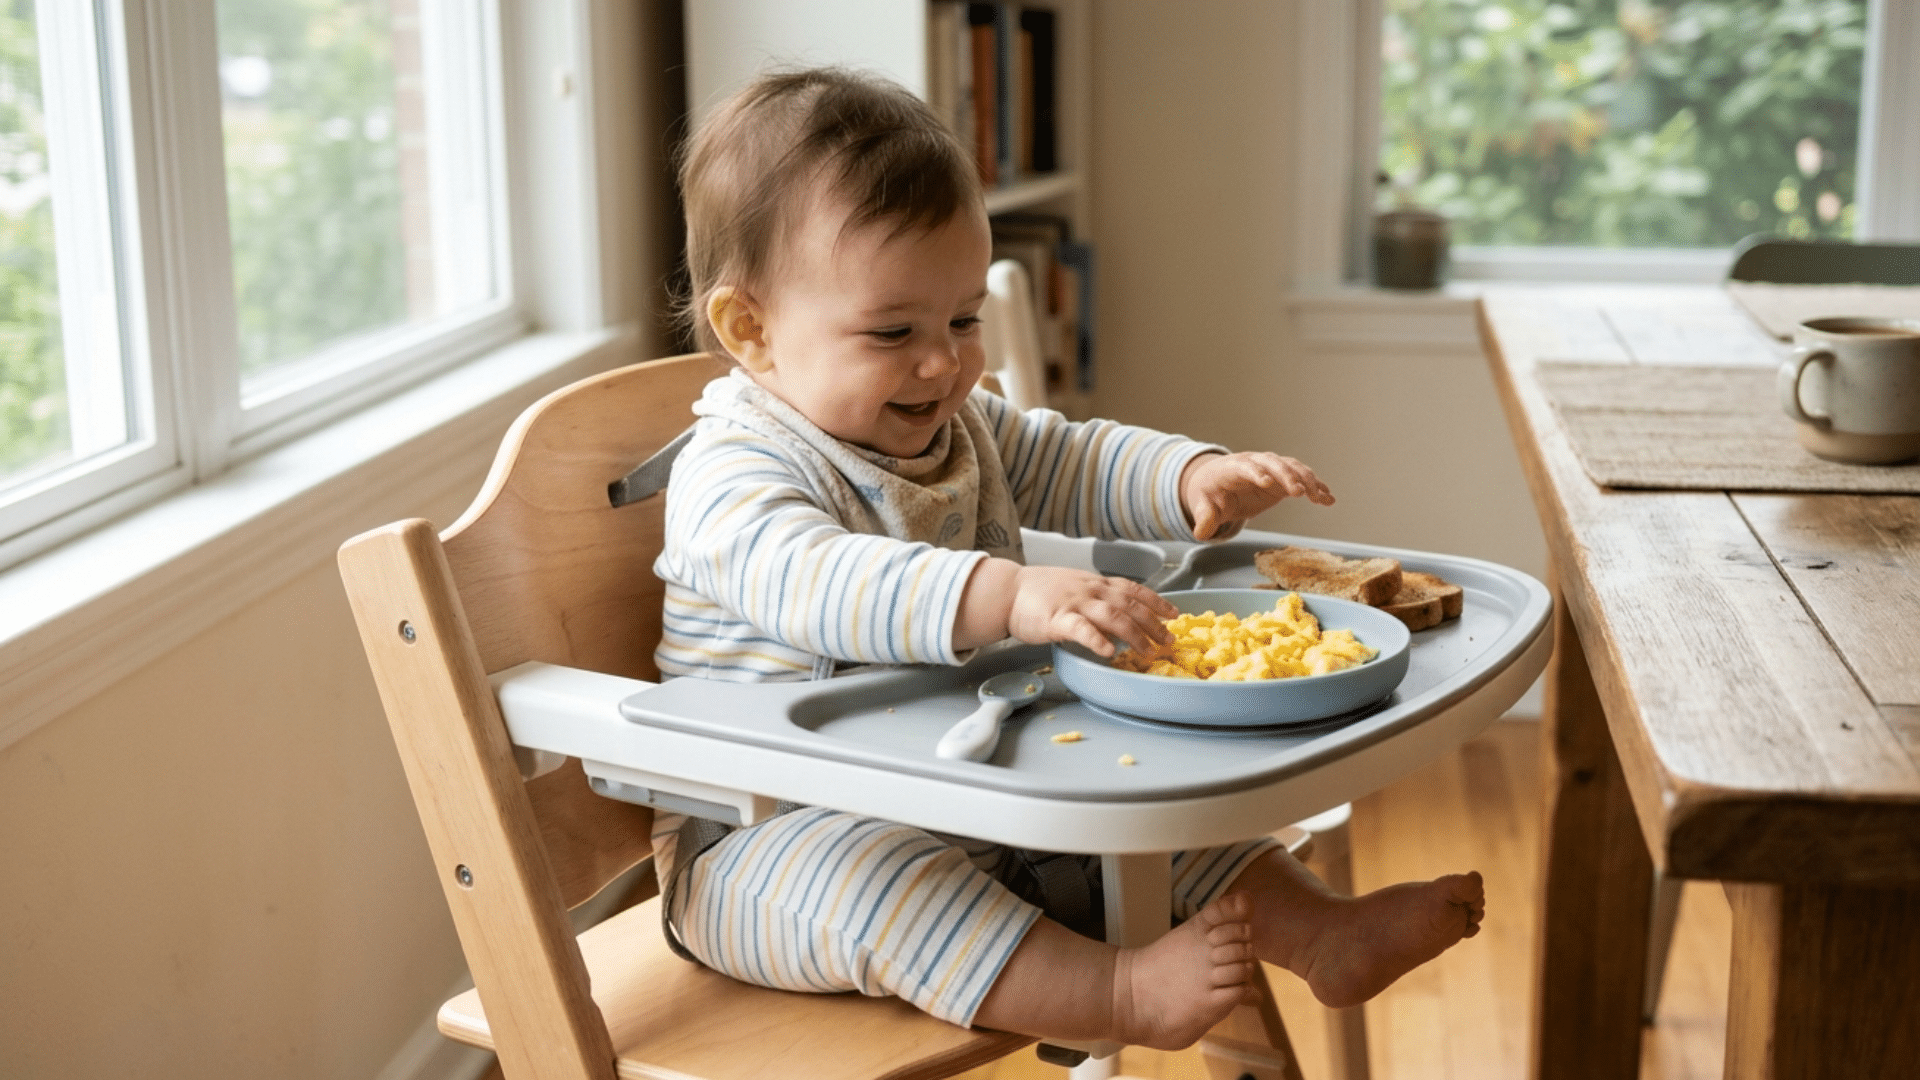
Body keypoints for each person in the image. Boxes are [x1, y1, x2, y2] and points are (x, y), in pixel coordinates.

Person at [649, 67, 1484, 1051]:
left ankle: (1319, 934)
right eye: (894, 332)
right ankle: (1116, 997)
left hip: (964, 792)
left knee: (1162, 817)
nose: (944, 363)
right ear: (752, 331)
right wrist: (1007, 593)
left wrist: (1185, 477)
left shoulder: (954, 425)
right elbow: (812, 579)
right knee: (880, 884)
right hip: (768, 840)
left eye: (963, 320)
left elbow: (1067, 451)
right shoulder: (733, 470)